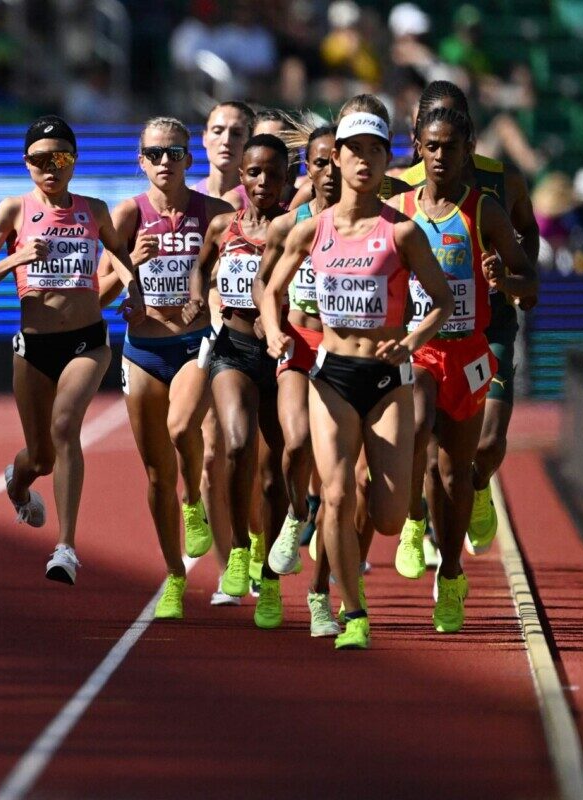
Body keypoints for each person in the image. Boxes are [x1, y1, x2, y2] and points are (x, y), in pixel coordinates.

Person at [261, 107, 453, 649]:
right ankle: (353, 611)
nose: (363, 160)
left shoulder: (403, 232)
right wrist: (275, 333)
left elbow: (439, 302)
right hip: (332, 377)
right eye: (353, 150)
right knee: (339, 494)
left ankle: (363, 558)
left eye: (374, 151)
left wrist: (412, 341)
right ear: (337, 159)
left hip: (389, 381)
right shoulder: (313, 230)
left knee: (388, 517)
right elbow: (271, 290)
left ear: (386, 159)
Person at [0, 115, 144, 585]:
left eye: (60, 157)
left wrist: (135, 290)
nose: (51, 167)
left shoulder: (94, 209)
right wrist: (18, 257)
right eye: (41, 159)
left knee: (66, 426)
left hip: (86, 339)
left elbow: (122, 258)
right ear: (26, 164)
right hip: (34, 346)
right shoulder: (13, 211)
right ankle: (19, 483)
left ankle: (66, 547)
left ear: (74, 162)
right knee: (41, 457)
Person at [391, 106, 535, 630]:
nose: (440, 157)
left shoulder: (487, 209)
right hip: (421, 350)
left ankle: (450, 576)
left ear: (467, 148)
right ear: (418, 147)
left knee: (456, 471)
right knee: (417, 429)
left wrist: (504, 281)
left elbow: (530, 281)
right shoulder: (399, 205)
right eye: (431, 146)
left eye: (450, 147)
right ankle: (411, 519)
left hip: (471, 353)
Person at [98, 117, 234, 619]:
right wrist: (129, 261)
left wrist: (214, 291)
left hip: (196, 344)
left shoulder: (217, 213)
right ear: (141, 161)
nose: (163, 162)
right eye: (153, 154)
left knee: (182, 428)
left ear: (187, 160)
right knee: (157, 475)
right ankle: (175, 575)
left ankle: (195, 502)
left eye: (173, 154)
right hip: (143, 352)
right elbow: (98, 294)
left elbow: (236, 276)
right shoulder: (128, 214)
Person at [188, 133, 290, 629]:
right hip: (233, 348)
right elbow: (201, 268)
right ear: (242, 177)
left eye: (273, 172)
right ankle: (240, 551)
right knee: (234, 444)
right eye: (254, 172)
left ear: (287, 177)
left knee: (276, 473)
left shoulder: (296, 229)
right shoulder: (223, 226)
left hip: (283, 355)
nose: (263, 181)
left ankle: (269, 578)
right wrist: (196, 301)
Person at [255, 123, 342, 636]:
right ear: (304, 170)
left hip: (347, 354)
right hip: (298, 345)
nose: (328, 172)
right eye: (318, 163)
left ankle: (320, 595)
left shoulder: (371, 223)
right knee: (296, 444)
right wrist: (272, 330)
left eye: (336, 161)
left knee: (339, 486)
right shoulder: (290, 225)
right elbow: (267, 284)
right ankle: (294, 512)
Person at [195, 101, 255, 210]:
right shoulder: (186, 202)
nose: (226, 141)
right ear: (204, 138)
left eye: (236, 133)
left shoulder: (260, 202)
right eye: (217, 131)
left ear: (251, 141)